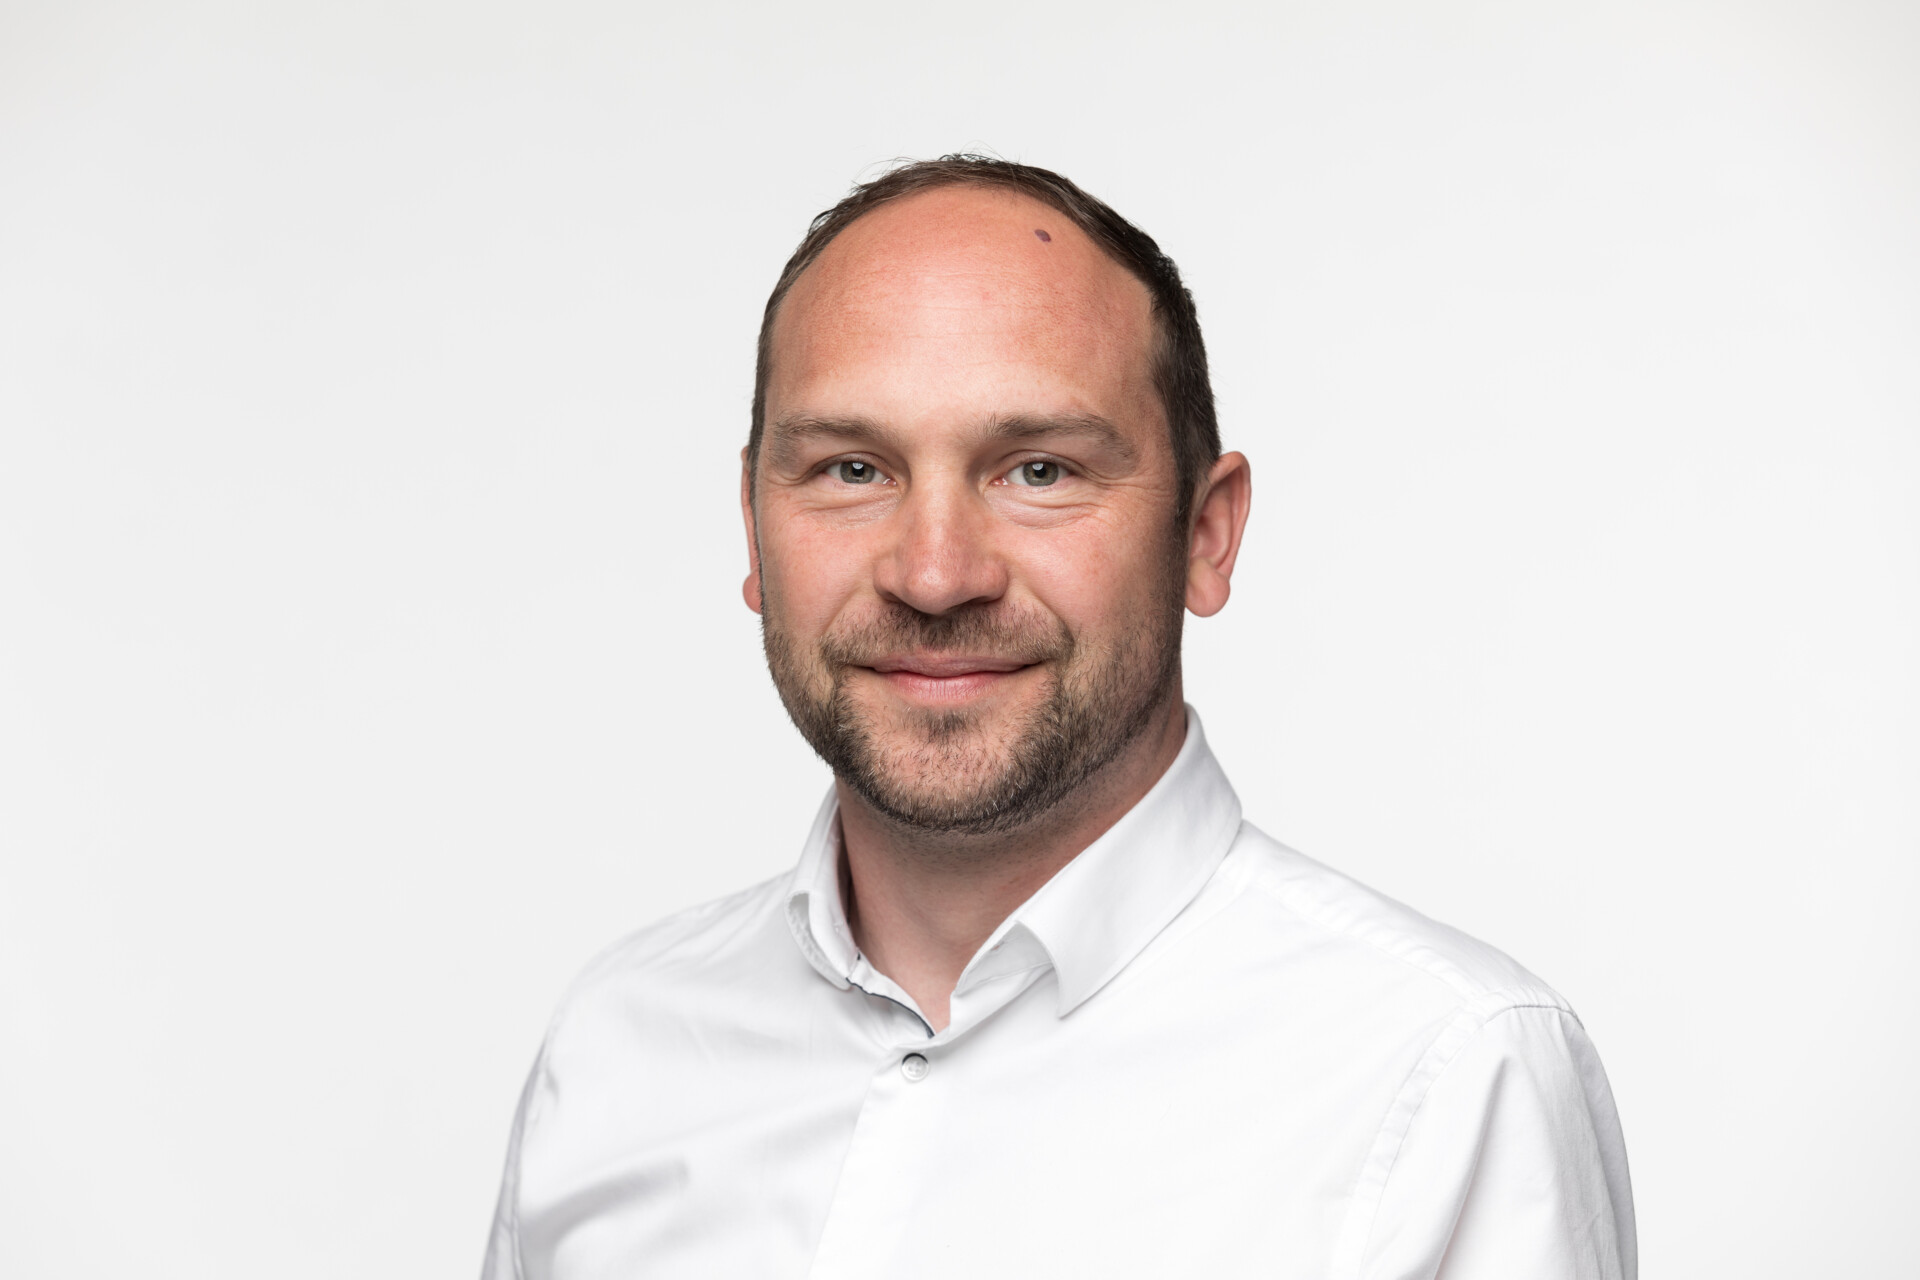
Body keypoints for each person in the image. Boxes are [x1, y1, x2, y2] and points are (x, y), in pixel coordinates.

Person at [480, 156, 1636, 1280]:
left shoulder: (1440, 1077)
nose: (935, 575)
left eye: (1038, 470)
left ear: (1206, 534)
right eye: (851, 469)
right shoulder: (618, 1045)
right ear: (752, 525)